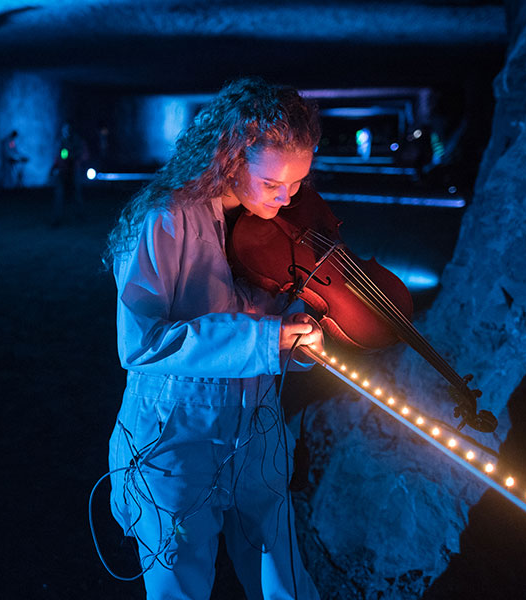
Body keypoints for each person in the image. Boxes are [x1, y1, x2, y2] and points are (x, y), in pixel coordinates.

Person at [103, 77, 324, 600]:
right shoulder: (164, 218)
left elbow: (267, 316)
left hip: (259, 436)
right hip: (175, 441)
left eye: (297, 183)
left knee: (288, 581)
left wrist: (300, 333)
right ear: (229, 157)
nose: (288, 198)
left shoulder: (271, 221)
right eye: (273, 183)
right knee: (179, 586)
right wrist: (267, 341)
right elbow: (140, 343)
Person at [49, 122, 88, 226]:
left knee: (75, 194)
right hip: (64, 172)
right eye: (65, 130)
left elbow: (82, 154)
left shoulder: (77, 141)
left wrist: (73, 159)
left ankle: (79, 216)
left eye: (68, 130)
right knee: (60, 195)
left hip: (73, 171)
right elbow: (61, 156)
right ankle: (58, 219)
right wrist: (56, 166)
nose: (66, 132)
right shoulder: (63, 141)